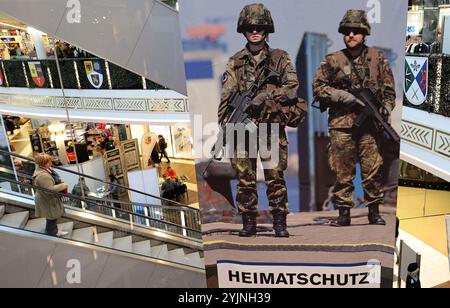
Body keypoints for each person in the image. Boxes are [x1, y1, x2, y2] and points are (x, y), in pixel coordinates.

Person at [219, 3, 306, 238]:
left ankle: (279, 222)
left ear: (266, 29)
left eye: (259, 26)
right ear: (243, 30)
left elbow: (291, 89)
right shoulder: (235, 62)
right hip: (241, 129)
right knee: (244, 179)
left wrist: (265, 96)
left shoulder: (280, 58)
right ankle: (249, 223)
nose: (254, 30)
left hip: (270, 127)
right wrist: (225, 128)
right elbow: (226, 97)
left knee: (275, 177)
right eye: (249, 27)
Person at [313, 9, 396, 227]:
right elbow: (318, 88)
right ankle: (343, 215)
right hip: (342, 125)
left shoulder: (378, 59)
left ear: (364, 34)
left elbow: (389, 90)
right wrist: (340, 95)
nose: (351, 35)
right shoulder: (333, 60)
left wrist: (385, 108)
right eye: (347, 31)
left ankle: (374, 213)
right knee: (343, 172)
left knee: (373, 170)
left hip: (370, 125)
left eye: (356, 32)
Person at [32, 153, 69, 237]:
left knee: (51, 216)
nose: (51, 163)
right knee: (51, 216)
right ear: (45, 163)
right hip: (47, 199)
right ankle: (52, 232)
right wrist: (63, 185)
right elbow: (50, 190)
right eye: (49, 161)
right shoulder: (43, 176)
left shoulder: (41, 169)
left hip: (45, 198)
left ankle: (51, 230)